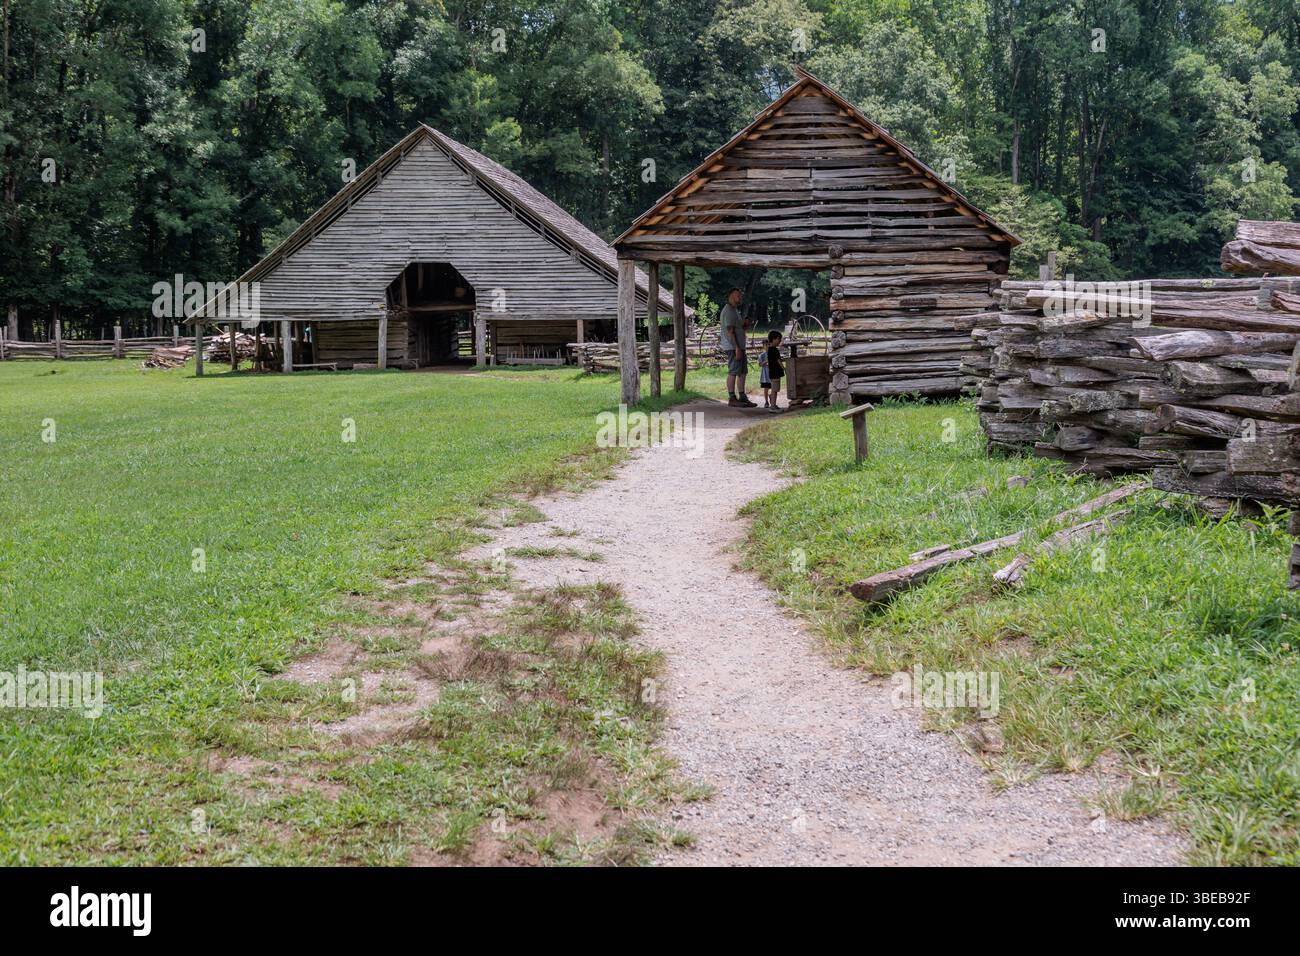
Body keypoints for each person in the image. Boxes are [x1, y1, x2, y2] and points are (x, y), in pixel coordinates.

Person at [719, 288, 756, 407]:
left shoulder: (735, 310)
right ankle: (732, 398)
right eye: (737, 296)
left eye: (740, 296)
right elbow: (730, 331)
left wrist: (745, 325)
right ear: (730, 296)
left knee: (742, 372)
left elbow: (738, 329)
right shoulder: (729, 310)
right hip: (733, 347)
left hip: (739, 346)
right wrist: (737, 348)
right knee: (734, 371)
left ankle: (742, 397)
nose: (739, 298)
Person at [761, 329, 784, 411]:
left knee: (775, 389)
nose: (779, 341)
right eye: (779, 339)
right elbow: (778, 360)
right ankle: (773, 406)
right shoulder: (774, 350)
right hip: (775, 372)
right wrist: (784, 368)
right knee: (775, 389)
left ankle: (773, 402)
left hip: (772, 372)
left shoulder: (769, 350)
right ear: (774, 339)